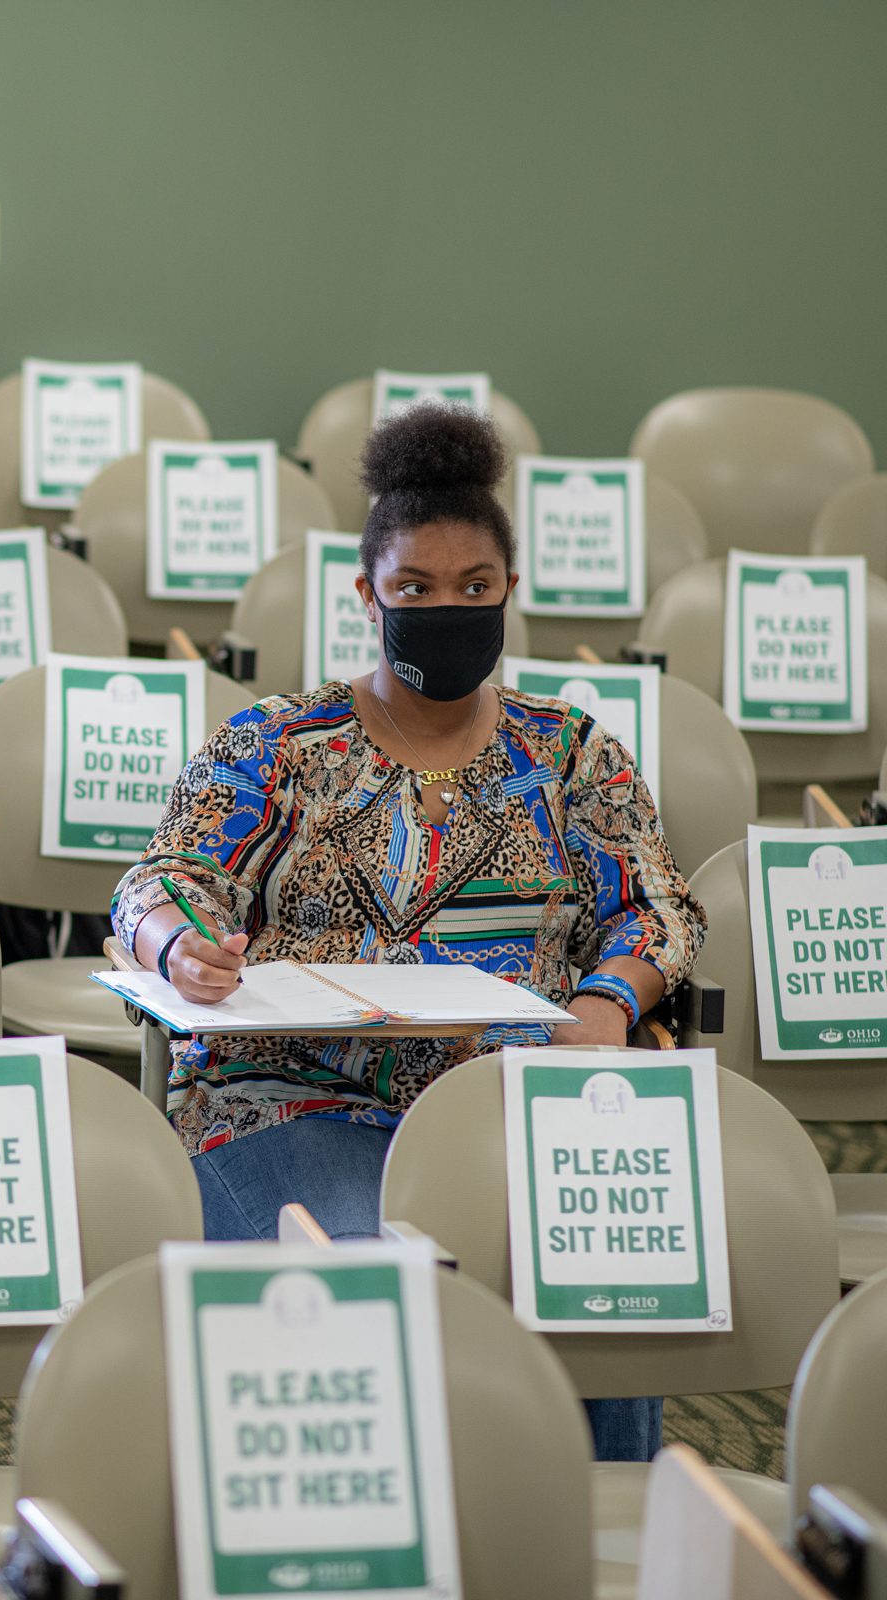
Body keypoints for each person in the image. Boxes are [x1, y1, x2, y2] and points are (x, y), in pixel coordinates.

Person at [112, 404, 703, 1463]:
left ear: (509, 592)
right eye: (414, 590)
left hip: (501, 1107)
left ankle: (595, 1530)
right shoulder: (276, 744)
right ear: (366, 595)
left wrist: (605, 1001)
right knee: (381, 1296)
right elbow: (166, 878)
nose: (447, 608)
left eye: (473, 588)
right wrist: (179, 941)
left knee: (606, 1292)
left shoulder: (568, 755)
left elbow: (653, 910)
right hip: (288, 1095)